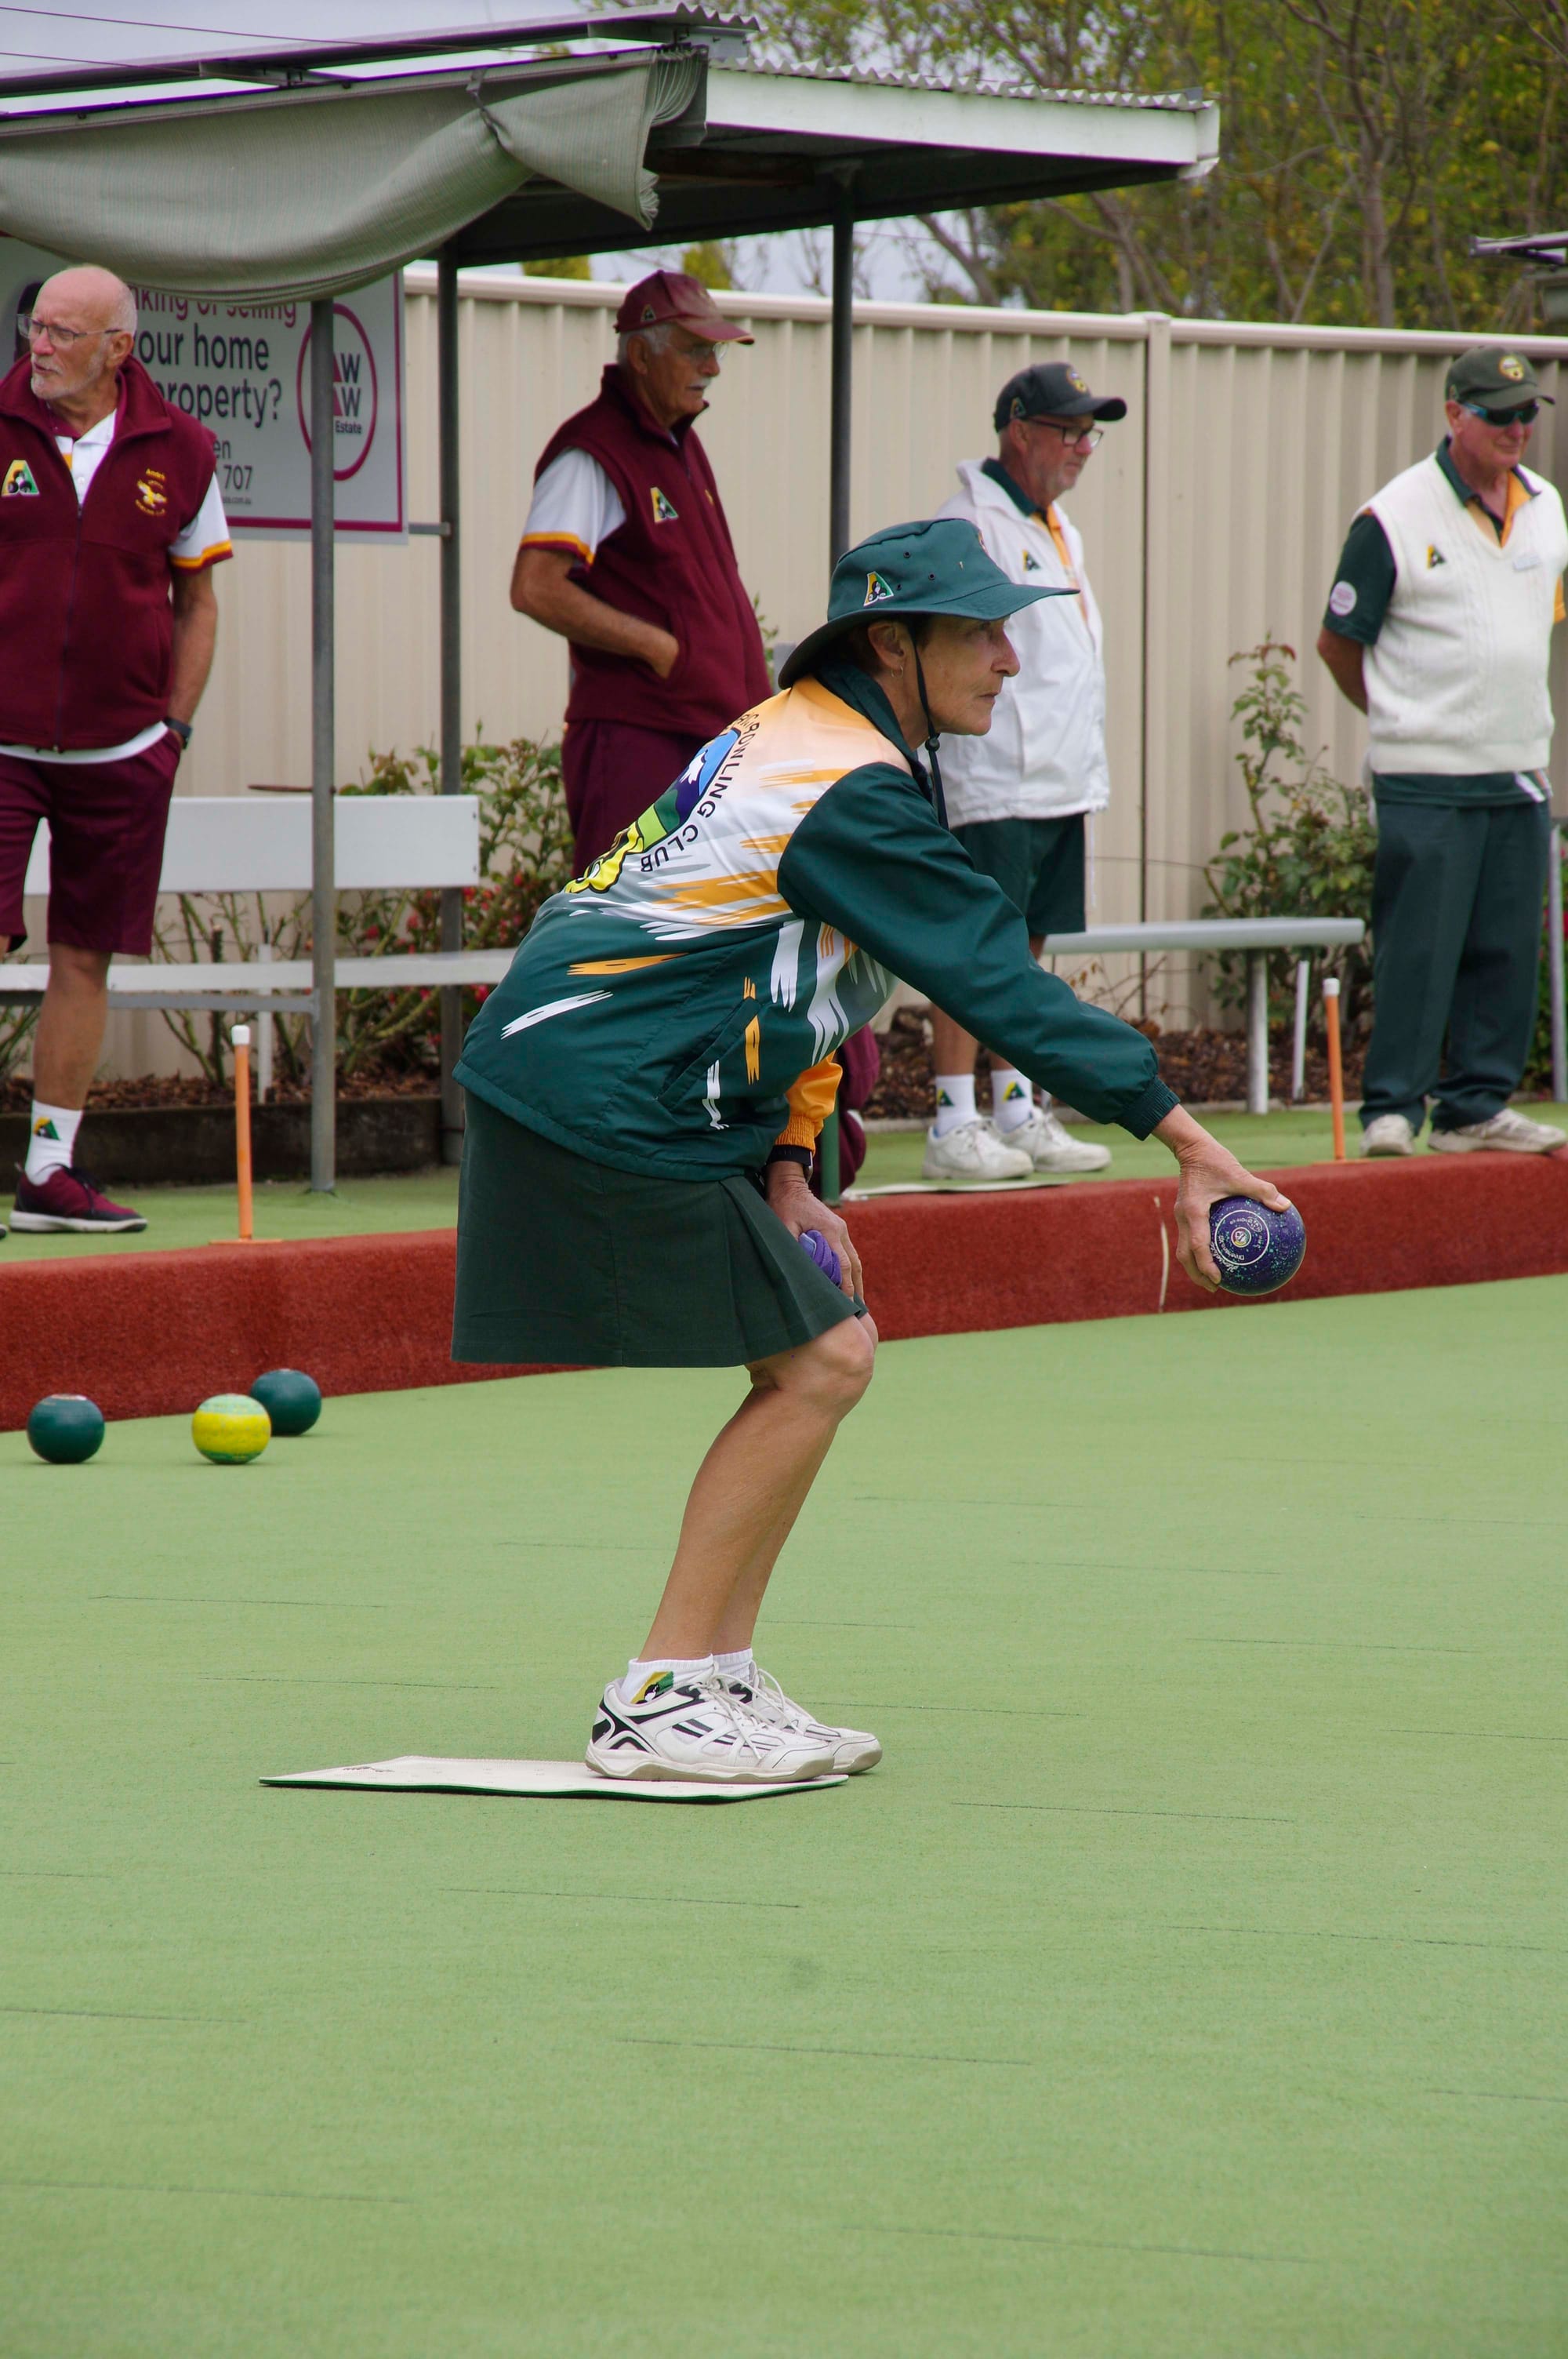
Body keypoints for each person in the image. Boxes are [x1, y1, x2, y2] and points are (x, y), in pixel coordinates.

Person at [452, 517, 1290, 1785]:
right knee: (824, 1360)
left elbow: (806, 979)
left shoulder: (812, 739)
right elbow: (997, 983)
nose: (1011, 659)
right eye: (983, 631)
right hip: (601, 1090)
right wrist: (1187, 1141)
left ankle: (715, 1676)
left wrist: (793, 1171)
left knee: (823, 1353)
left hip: (619, 1077)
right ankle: (659, 1694)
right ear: (892, 643)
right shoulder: (843, 782)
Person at [0, 264, 230, 1234]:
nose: (39, 346)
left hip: (123, 753)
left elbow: (198, 602)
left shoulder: (183, 448)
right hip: (3, 747)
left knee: (83, 959)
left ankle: (49, 1176)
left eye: (61, 332)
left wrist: (170, 733)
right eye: (35, 327)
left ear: (118, 348)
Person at [1317, 346, 1568, 1158]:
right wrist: (1400, 715)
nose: (1516, 429)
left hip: (1517, 769)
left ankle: (1474, 1109)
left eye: (1526, 414)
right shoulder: (1391, 516)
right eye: (1498, 415)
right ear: (1455, 414)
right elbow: (1337, 643)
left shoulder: (1546, 506)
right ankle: (1391, 1109)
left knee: (1505, 949)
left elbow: (1533, 626)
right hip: (1422, 776)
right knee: (1418, 949)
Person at [924, 360, 1127, 1182]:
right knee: (971, 948)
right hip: (993, 781)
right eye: (1066, 430)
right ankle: (952, 1120)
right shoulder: (970, 525)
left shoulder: (1058, 526)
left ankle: (1014, 1107)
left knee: (1022, 952)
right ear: (1017, 430)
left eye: (1089, 434)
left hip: (1057, 779)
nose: (1081, 446)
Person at [510, 270, 771, 871]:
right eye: (695, 350)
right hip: (641, 739)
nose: (713, 367)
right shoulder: (593, 451)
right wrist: (659, 649)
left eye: (716, 351)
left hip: (702, 739)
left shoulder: (679, 443)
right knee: (625, 919)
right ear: (641, 357)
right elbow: (535, 587)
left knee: (696, 920)